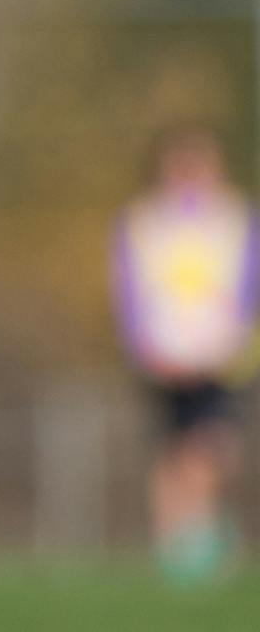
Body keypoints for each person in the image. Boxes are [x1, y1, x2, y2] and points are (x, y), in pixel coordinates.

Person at [111, 123, 260, 584]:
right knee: (174, 449)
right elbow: (130, 291)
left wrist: (229, 347)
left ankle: (193, 538)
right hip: (164, 356)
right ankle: (178, 552)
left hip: (221, 357)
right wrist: (147, 347)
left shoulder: (236, 219)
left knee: (211, 448)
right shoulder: (144, 222)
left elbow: (247, 289)